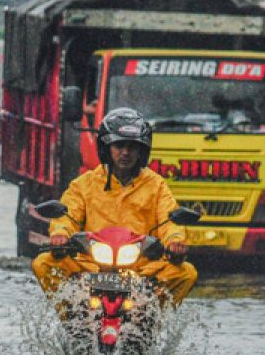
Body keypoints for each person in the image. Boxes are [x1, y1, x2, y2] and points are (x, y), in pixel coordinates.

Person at [31, 107, 197, 305]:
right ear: (106, 148)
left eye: (132, 147)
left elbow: (169, 220)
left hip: (141, 269)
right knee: (43, 263)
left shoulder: (157, 185)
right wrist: (60, 235)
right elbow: (67, 214)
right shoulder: (85, 183)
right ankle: (71, 317)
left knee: (186, 272)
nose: (125, 153)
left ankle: (152, 319)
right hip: (91, 265)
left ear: (141, 150)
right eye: (119, 146)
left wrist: (175, 241)